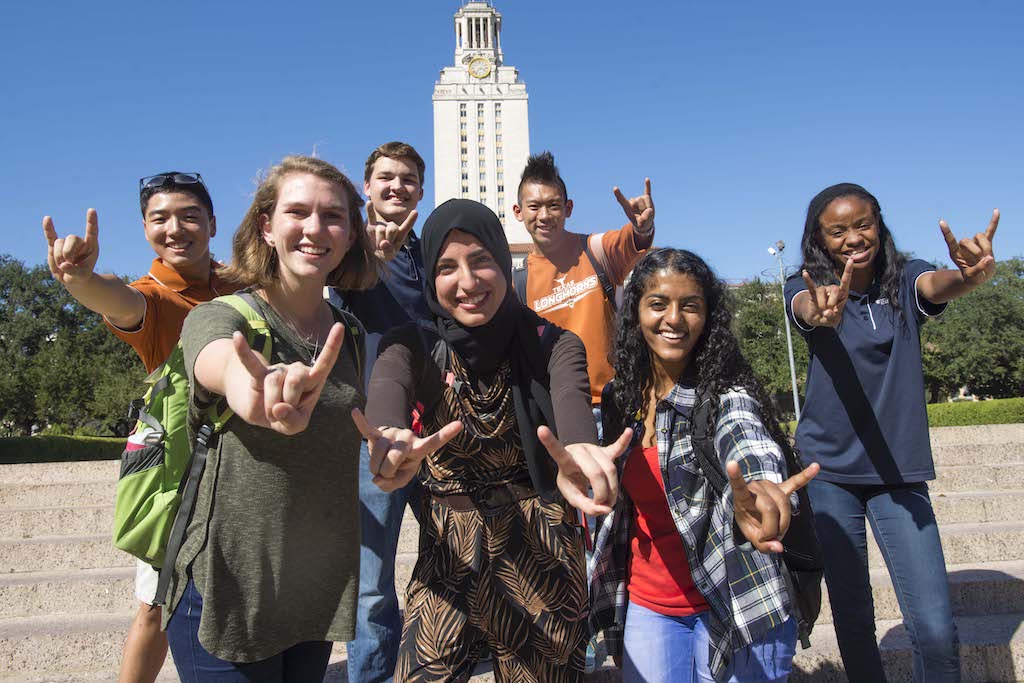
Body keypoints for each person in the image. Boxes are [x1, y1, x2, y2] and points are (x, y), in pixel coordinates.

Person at [354, 198, 632, 682]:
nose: (467, 282)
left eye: (481, 259)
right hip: (449, 552)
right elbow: (388, 393)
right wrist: (388, 436)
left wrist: (581, 450)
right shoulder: (413, 345)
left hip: (539, 547)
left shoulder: (552, 341)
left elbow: (570, 398)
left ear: (504, 263)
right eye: (447, 267)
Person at [161, 155, 378, 682]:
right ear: (267, 225)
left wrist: (387, 452)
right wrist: (250, 393)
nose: (314, 228)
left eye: (333, 216)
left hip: (309, 596)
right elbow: (219, 363)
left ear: (351, 235)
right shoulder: (221, 316)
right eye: (297, 211)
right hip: (225, 595)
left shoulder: (349, 335)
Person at [784, 182, 1000, 682]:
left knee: (935, 629)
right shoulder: (806, 283)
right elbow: (806, 310)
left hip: (899, 472)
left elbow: (938, 285)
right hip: (828, 472)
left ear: (879, 223)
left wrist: (968, 278)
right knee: (855, 621)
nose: (853, 238)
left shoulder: (905, 277)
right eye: (837, 231)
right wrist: (821, 311)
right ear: (820, 238)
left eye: (863, 224)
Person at [591, 248, 818, 682]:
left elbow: (744, 434)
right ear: (635, 312)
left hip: (739, 600)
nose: (673, 318)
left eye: (690, 305)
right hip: (650, 607)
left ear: (708, 316)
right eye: (658, 303)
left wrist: (759, 487)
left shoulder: (725, 392)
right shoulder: (621, 398)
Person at [42, 171, 228, 683]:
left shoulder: (242, 283)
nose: (175, 228)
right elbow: (117, 301)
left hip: (251, 468)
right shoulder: (155, 296)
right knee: (154, 606)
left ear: (212, 223)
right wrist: (79, 280)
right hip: (182, 476)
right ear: (145, 229)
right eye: (159, 218)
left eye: (189, 215)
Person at [326, 141, 429, 683]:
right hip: (372, 436)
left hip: (435, 430)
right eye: (386, 177)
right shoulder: (344, 243)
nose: (397, 187)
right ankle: (371, 676)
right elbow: (331, 296)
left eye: (409, 179)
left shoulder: (429, 250)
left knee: (456, 560)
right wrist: (371, 259)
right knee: (371, 581)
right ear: (366, 186)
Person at [513, 150, 655, 416]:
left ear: (568, 209)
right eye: (534, 206)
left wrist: (643, 228)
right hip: (558, 414)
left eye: (553, 205)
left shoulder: (596, 250)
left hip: (614, 406)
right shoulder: (517, 283)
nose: (544, 215)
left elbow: (634, 239)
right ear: (519, 212)